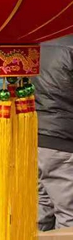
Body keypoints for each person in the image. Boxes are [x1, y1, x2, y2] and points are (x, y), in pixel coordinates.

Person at [35, 36, 73, 230]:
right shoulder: (69, 47)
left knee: (43, 206)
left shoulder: (36, 43)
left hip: (35, 135)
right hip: (62, 138)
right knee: (69, 213)